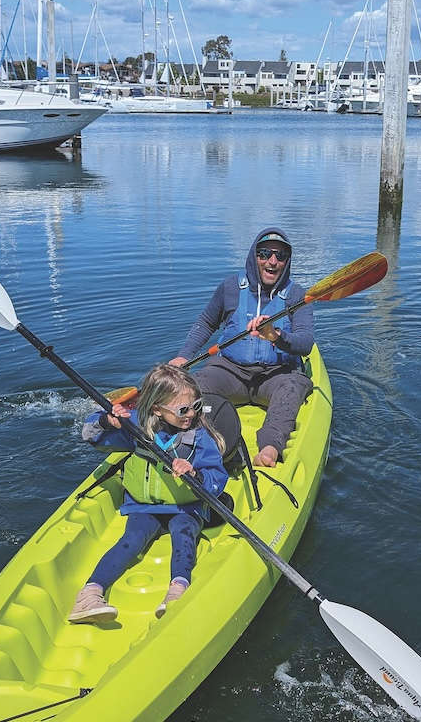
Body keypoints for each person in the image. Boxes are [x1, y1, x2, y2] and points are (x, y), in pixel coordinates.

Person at [68, 364, 228, 624]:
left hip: (184, 507)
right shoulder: (136, 429)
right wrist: (105, 421)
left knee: (184, 534)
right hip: (143, 505)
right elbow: (91, 437)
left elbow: (217, 479)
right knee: (131, 540)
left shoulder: (200, 437)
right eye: (183, 410)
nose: (191, 415)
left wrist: (194, 474)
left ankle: (177, 590)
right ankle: (90, 593)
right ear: (157, 409)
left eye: (196, 406)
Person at [170, 227, 314, 468]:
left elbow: (306, 342)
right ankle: (187, 439)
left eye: (280, 256)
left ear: (287, 261)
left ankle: (269, 448)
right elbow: (206, 322)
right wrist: (183, 356)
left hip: (275, 375)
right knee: (193, 391)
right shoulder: (231, 287)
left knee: (292, 388)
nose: (272, 261)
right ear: (254, 256)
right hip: (229, 372)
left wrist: (277, 337)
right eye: (265, 253)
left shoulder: (297, 295)